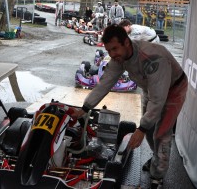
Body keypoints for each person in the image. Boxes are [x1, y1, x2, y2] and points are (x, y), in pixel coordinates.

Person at [70, 24, 187, 188]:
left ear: (126, 42)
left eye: (115, 49)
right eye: (109, 50)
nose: (112, 54)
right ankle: (156, 158)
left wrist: (141, 129)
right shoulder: (121, 57)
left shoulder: (152, 57)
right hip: (151, 88)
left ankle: (157, 177)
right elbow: (105, 83)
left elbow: (159, 100)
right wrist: (85, 108)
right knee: (149, 131)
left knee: (161, 133)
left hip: (173, 89)